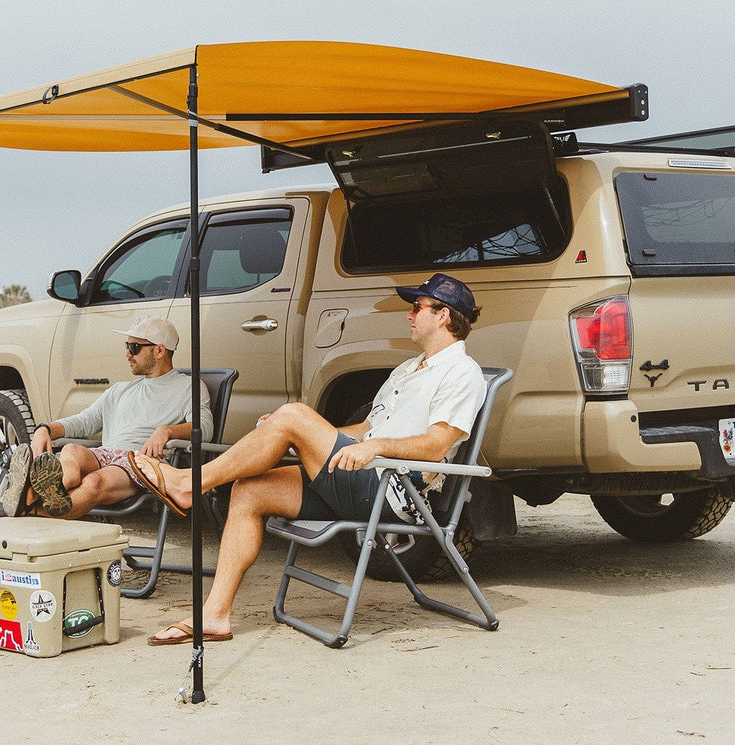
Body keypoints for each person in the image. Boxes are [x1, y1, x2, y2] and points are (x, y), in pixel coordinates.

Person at [131, 272, 487, 645]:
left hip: (394, 492)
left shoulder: (461, 373)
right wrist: (299, 432)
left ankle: (188, 483)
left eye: (417, 307)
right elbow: (366, 426)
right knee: (250, 489)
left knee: (293, 414)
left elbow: (436, 444)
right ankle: (216, 615)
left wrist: (372, 446)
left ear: (443, 315)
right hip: (359, 473)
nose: (409, 314)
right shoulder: (408, 368)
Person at [1, 316, 212, 520]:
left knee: (93, 482)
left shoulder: (189, 387)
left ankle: (29, 503)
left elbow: (205, 429)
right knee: (71, 450)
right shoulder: (120, 390)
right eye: (126, 346)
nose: (127, 354)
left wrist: (167, 431)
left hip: (139, 463)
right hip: (105, 453)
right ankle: (36, 492)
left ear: (159, 350)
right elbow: (84, 421)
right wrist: (45, 429)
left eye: (135, 348)